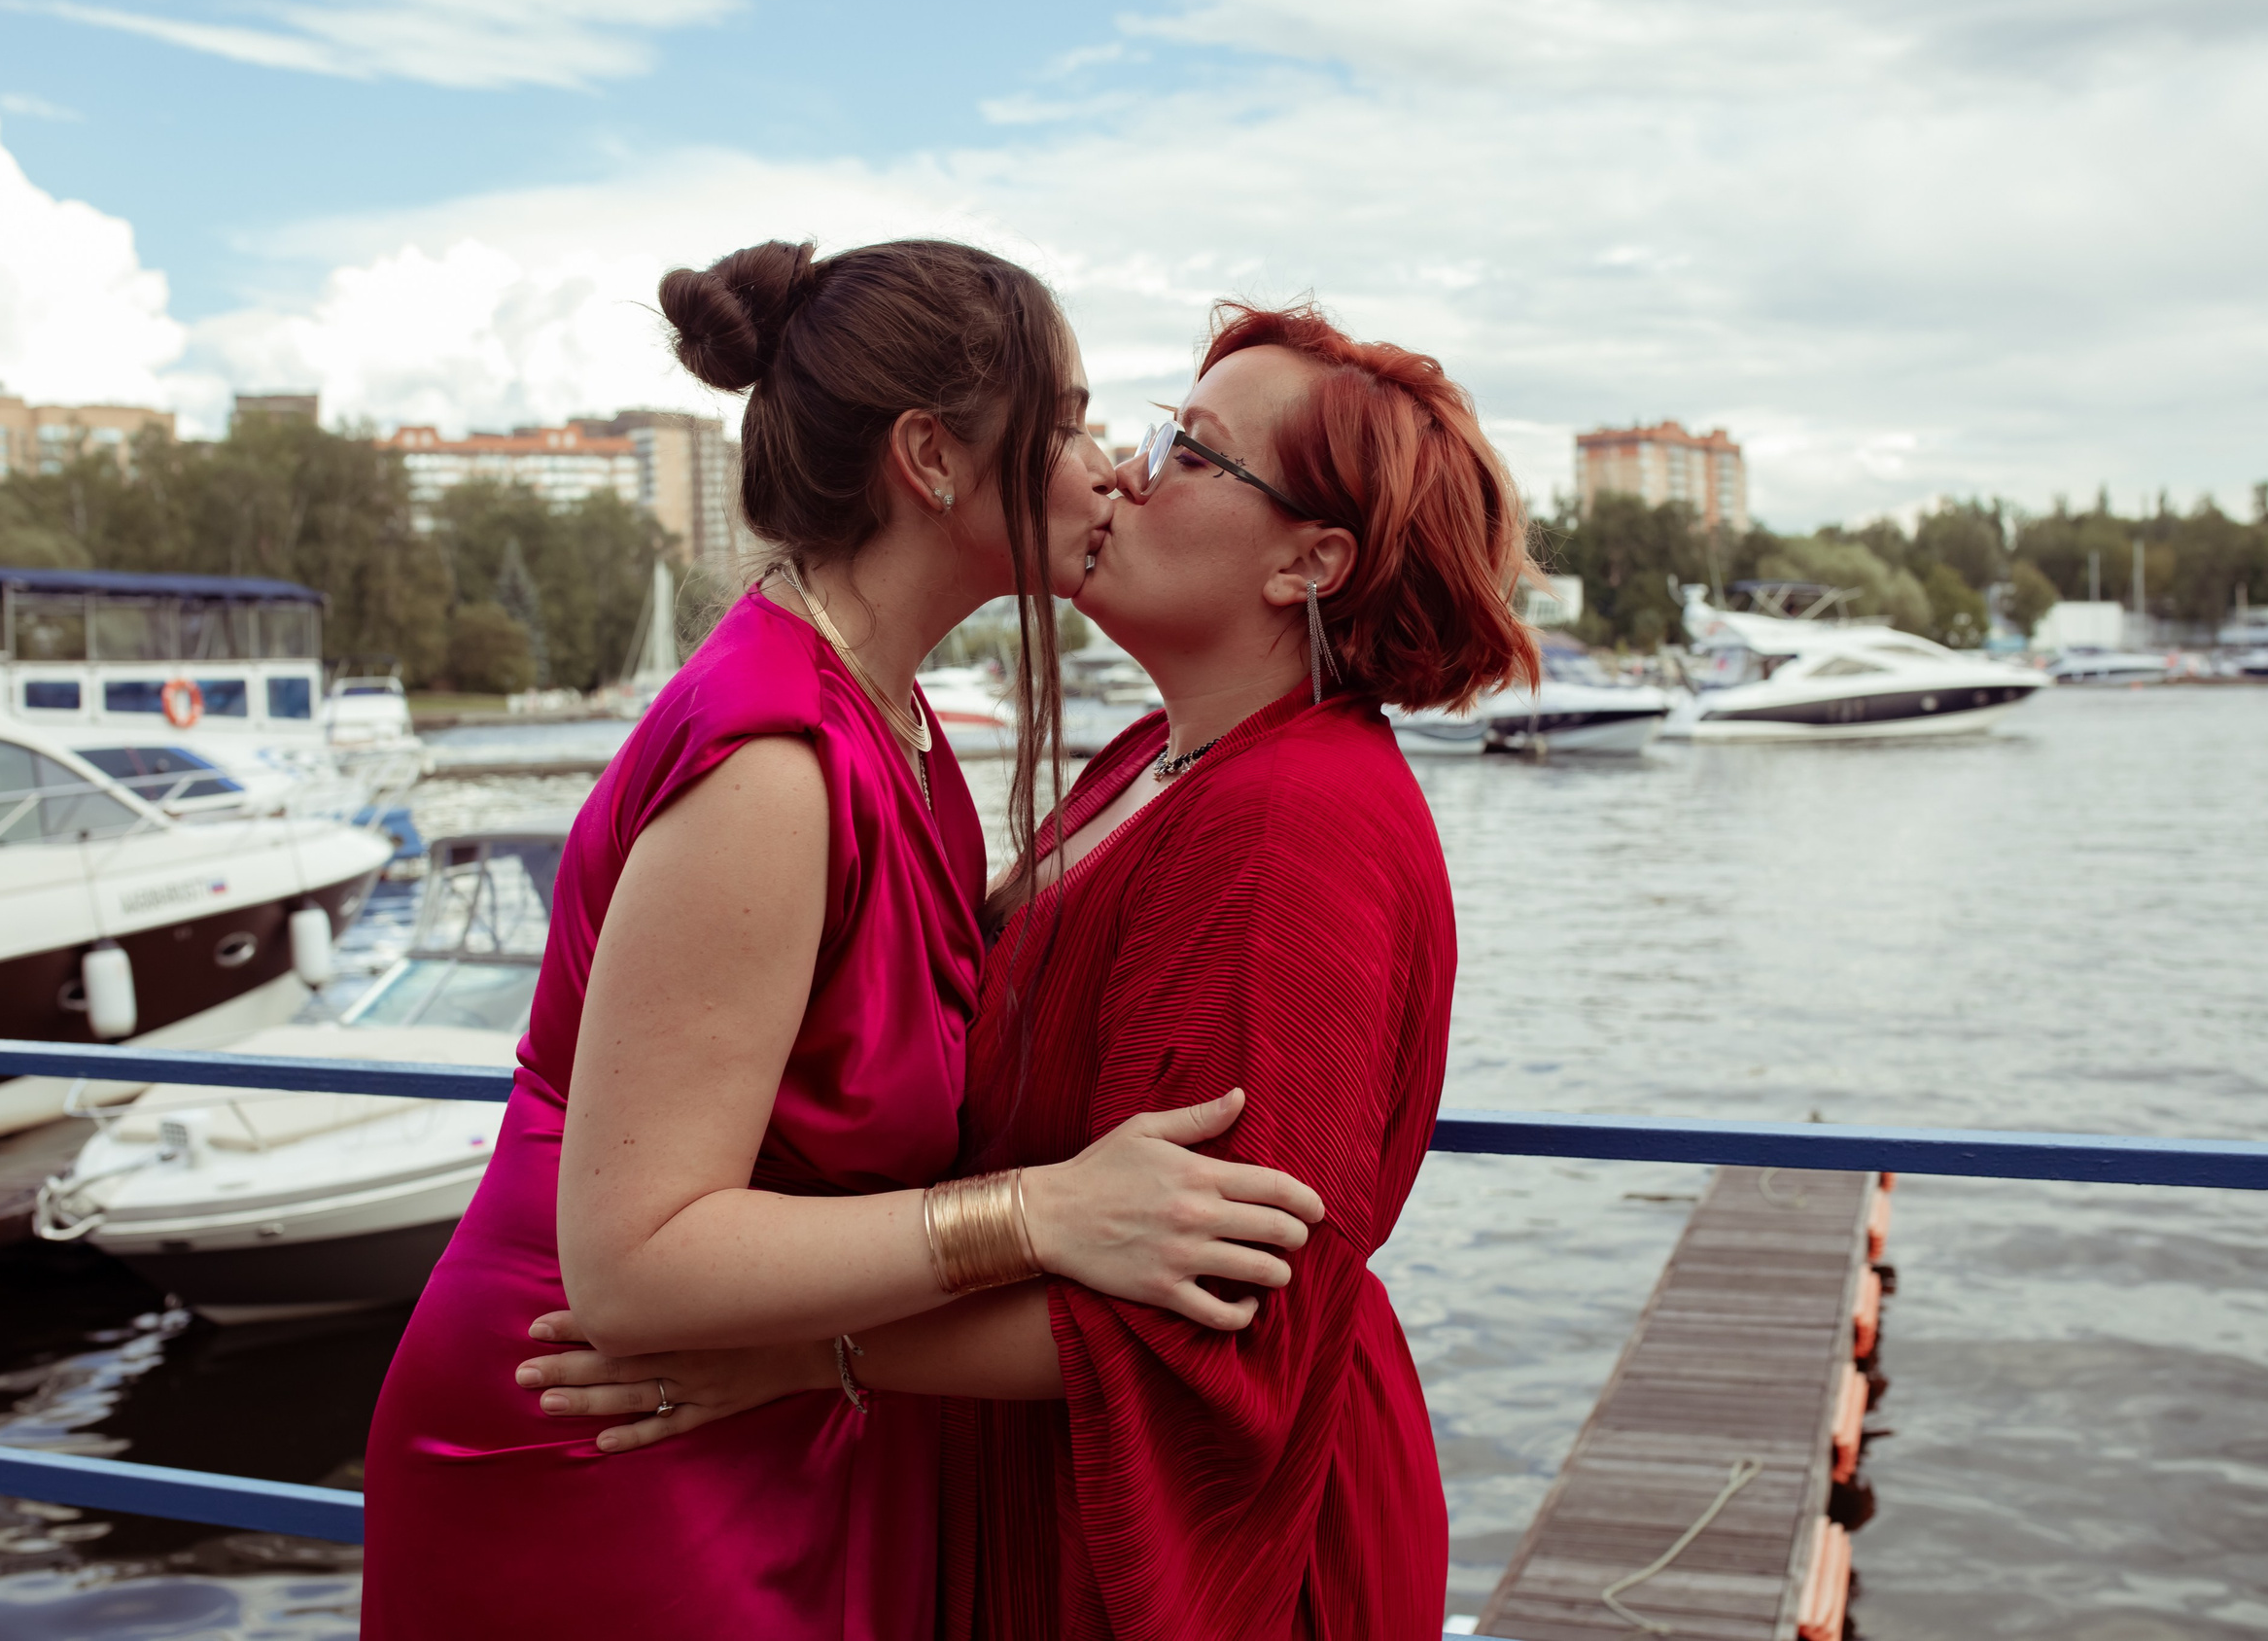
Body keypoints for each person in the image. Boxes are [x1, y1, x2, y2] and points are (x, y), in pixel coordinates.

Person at [521, 300, 1540, 1638]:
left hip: (1201, 1546)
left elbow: (1222, 1321)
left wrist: (805, 1356)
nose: (1125, 468)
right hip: (1016, 1474)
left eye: (1187, 449)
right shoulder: (1160, 763)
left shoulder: (1295, 830)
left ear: (1309, 562)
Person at [358, 241, 1327, 1641]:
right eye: (1065, 423)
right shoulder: (773, 763)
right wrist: (1043, 1216)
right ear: (932, 457)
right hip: (606, 1431)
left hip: (760, 1405)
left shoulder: (898, 726)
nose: (1112, 464)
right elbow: (631, 1266)